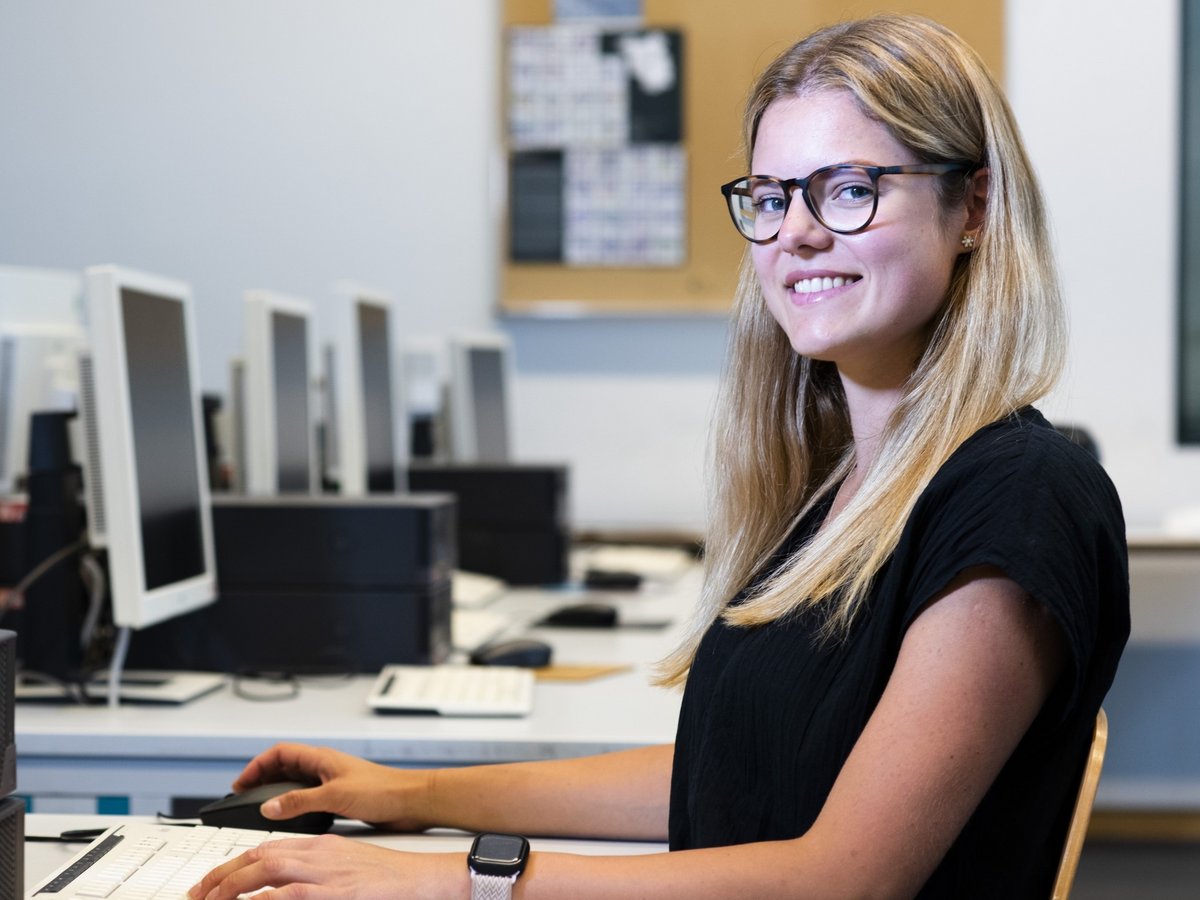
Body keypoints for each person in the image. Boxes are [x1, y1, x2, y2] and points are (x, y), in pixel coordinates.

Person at [189, 14, 1129, 899]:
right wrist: (406, 796)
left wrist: (451, 880)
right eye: (770, 197)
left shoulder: (1019, 499)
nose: (796, 231)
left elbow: (843, 878)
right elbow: (731, 773)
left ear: (974, 207)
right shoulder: (846, 486)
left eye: (849, 189)